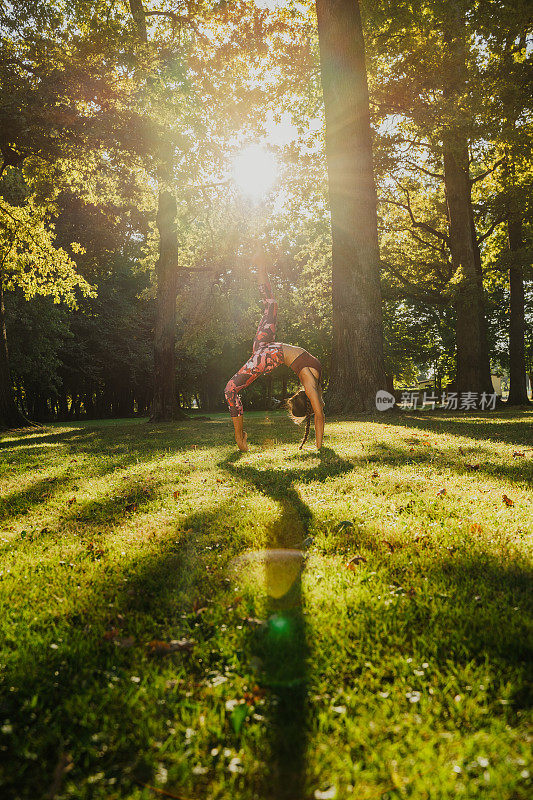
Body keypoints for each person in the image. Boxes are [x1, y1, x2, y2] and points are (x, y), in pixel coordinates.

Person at [224, 247, 325, 452]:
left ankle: (239, 437)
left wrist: (319, 446)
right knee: (271, 304)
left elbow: (320, 416)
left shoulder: (310, 384)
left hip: (268, 355)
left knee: (231, 389)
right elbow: (319, 414)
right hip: (268, 347)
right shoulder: (315, 383)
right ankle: (261, 264)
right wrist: (319, 443)